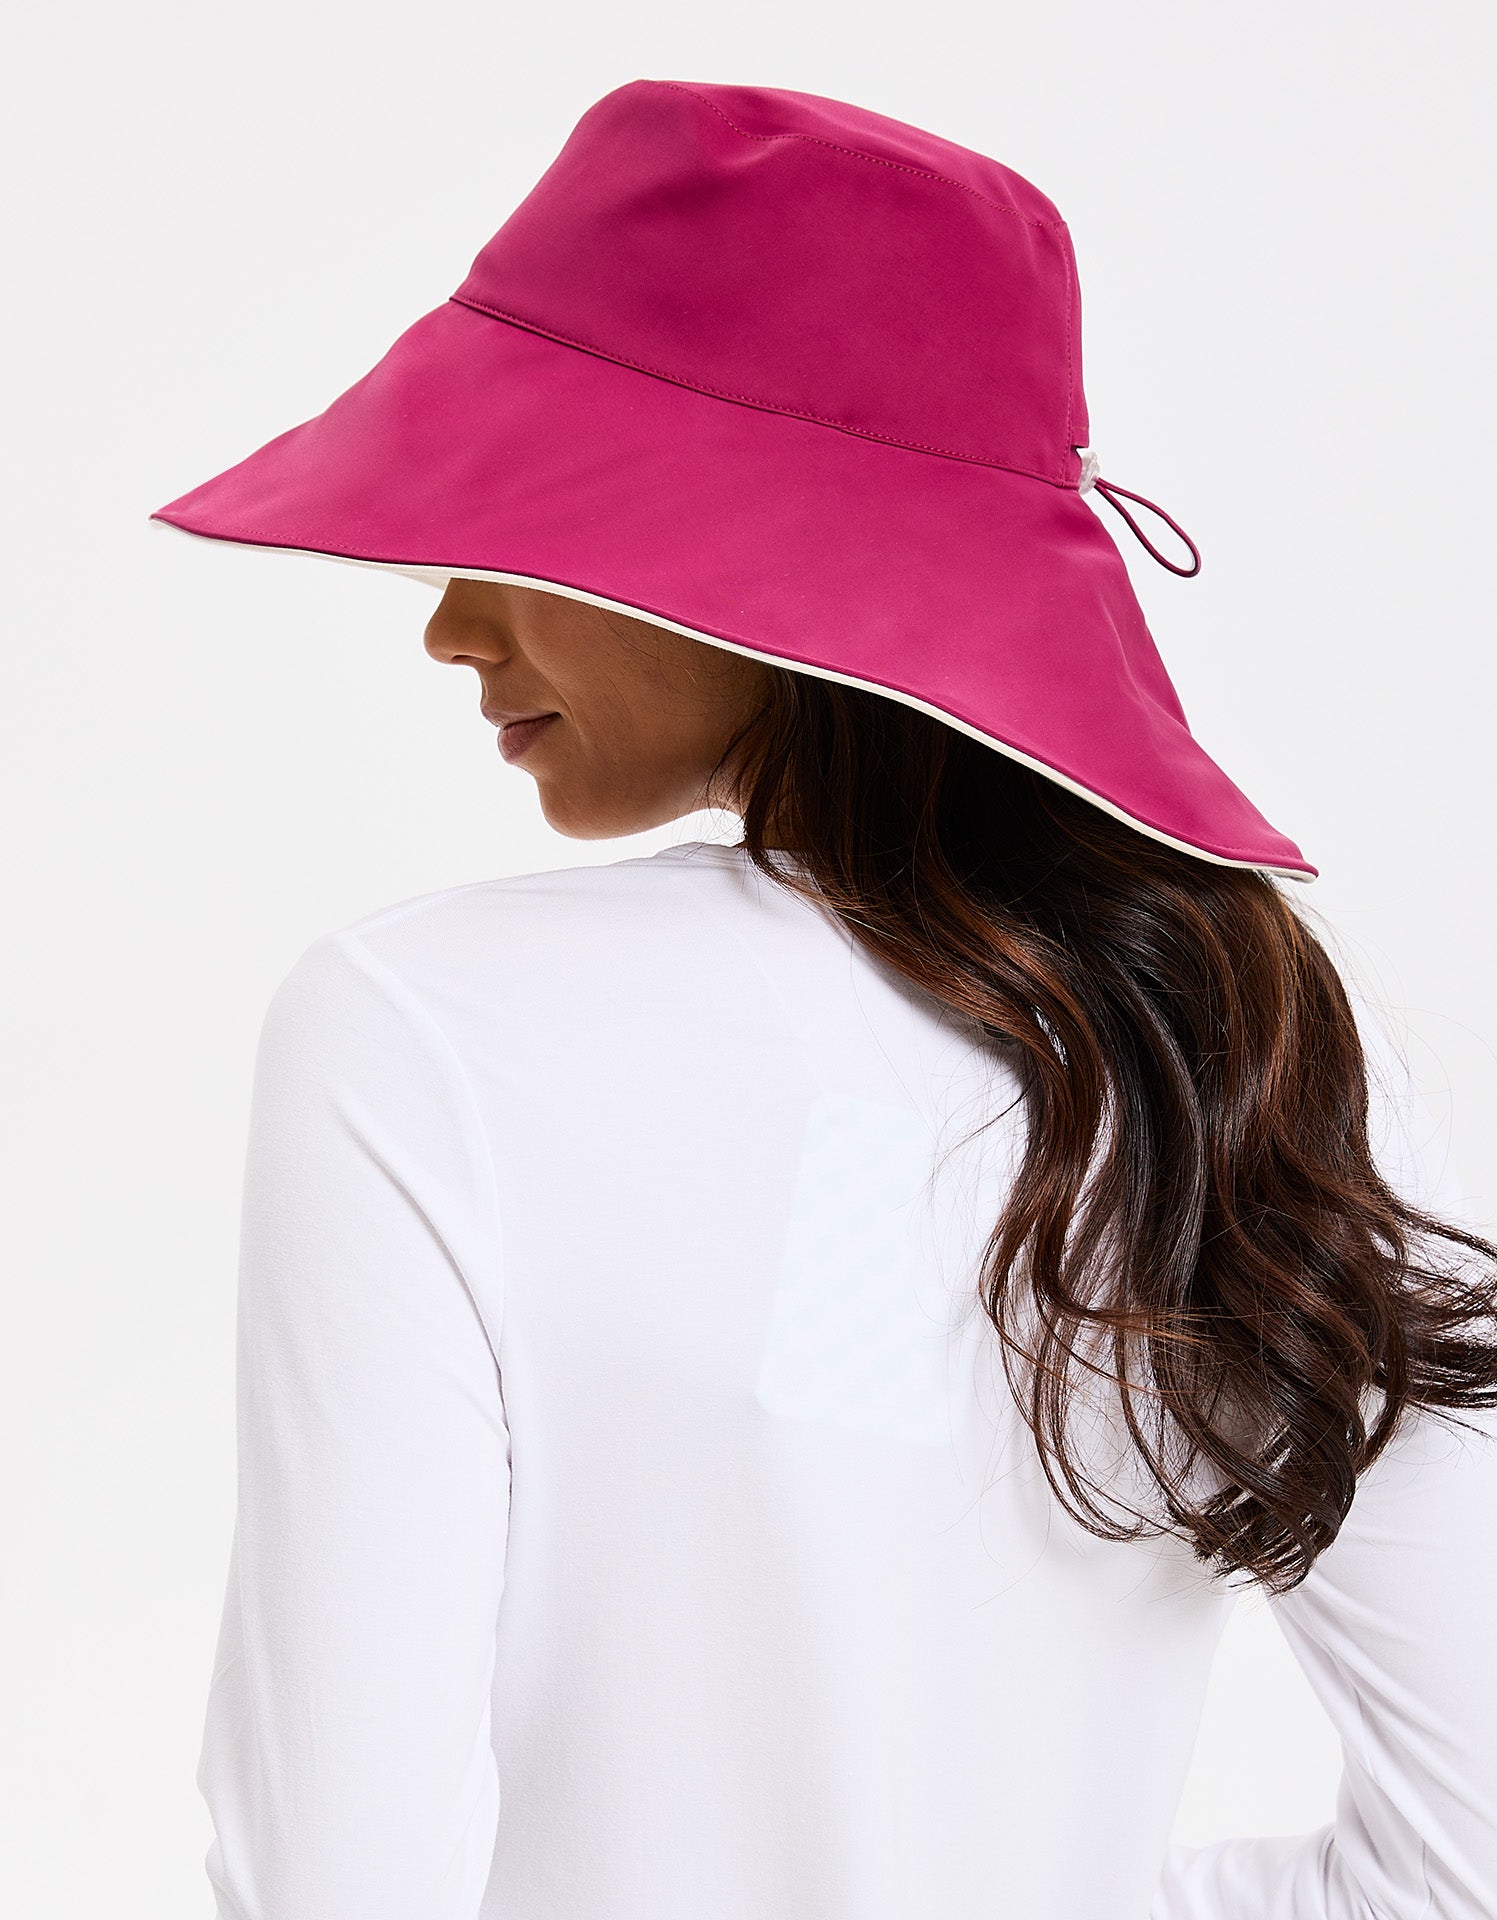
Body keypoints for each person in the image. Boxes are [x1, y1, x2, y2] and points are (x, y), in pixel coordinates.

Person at [151, 79, 1497, 1920]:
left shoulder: (419, 1025)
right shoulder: (1245, 1047)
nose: (451, 625)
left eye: (532, 525)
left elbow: (331, 1872)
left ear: (764, 547)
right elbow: (1466, 1858)